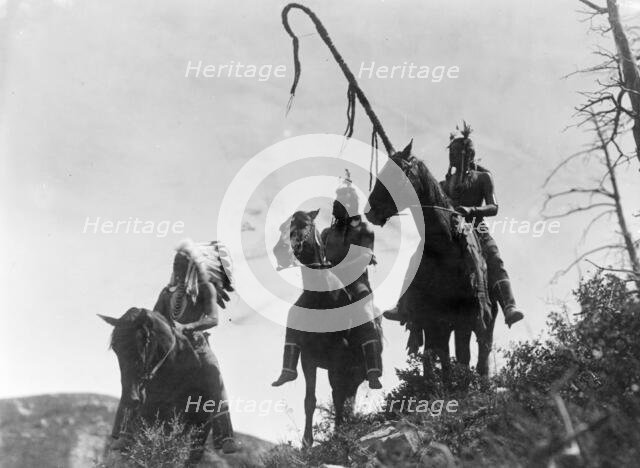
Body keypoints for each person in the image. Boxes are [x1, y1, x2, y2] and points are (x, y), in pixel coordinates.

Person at [384, 123, 524, 327]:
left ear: (469, 153)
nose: (455, 156)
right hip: (450, 231)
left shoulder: (483, 177)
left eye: (459, 152)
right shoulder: (443, 185)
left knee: (493, 257)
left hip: (477, 228)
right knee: (418, 255)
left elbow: (494, 207)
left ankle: (508, 305)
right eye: (453, 152)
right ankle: (404, 304)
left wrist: (472, 210)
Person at [272, 172, 383, 389]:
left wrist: (338, 270)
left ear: (352, 204)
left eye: (343, 202)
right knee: (295, 311)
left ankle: (372, 369)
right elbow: (318, 257)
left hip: (355, 283)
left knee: (365, 314)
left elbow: (364, 257)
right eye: (336, 202)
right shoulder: (326, 233)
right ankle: (289, 367)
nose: (337, 206)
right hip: (327, 282)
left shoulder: (364, 229)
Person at [153, 240, 238, 454]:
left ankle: (224, 435)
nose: (178, 270)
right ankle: (129, 429)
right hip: (171, 349)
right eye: (176, 266)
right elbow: (155, 318)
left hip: (198, 345)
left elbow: (212, 318)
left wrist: (188, 326)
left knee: (213, 373)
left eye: (182, 266)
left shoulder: (205, 288)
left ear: (191, 267)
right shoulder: (166, 293)